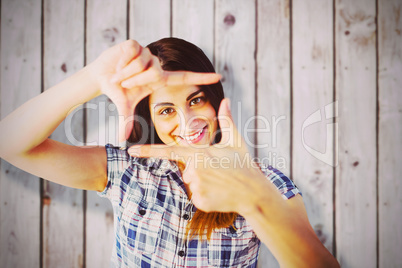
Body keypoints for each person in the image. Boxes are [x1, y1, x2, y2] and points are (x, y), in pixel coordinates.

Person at [0, 38, 339, 268]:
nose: (188, 121)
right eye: (166, 110)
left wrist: (255, 198)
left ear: (214, 98)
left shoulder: (268, 183)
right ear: (151, 119)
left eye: (196, 100)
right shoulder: (128, 171)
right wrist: (90, 78)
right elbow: (10, 144)